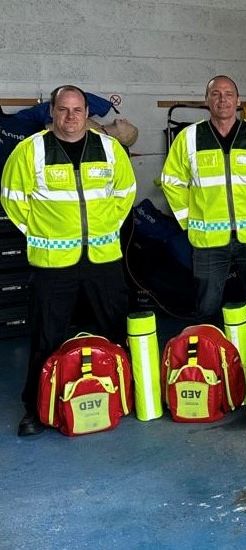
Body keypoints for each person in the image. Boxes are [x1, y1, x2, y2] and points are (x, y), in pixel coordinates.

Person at [1, 85, 136, 436]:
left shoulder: (109, 149)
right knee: (46, 336)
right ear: (52, 112)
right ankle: (35, 407)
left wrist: (106, 226)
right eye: (63, 110)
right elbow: (13, 198)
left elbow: (125, 193)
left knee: (116, 329)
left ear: (87, 112)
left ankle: (125, 393)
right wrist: (39, 231)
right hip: (53, 262)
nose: (71, 117)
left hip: (103, 258)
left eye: (77, 110)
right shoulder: (29, 151)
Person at [160, 75, 246, 352]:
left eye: (229, 94)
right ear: (207, 101)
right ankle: (209, 359)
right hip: (208, 241)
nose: (223, 99)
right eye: (216, 94)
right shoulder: (189, 138)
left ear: (238, 100)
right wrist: (188, 222)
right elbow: (171, 181)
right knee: (206, 307)